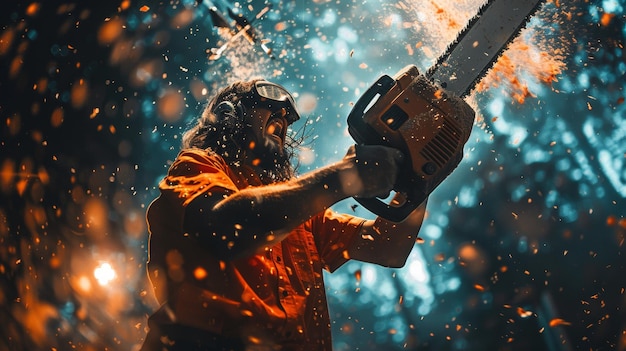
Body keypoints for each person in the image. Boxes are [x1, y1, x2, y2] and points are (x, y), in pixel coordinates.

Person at [140, 79, 428, 351]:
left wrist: (419, 170)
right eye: (270, 103)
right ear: (230, 113)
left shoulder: (300, 211)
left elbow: (388, 246)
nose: (284, 114)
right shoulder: (199, 164)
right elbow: (227, 229)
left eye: (288, 115)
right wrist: (342, 178)